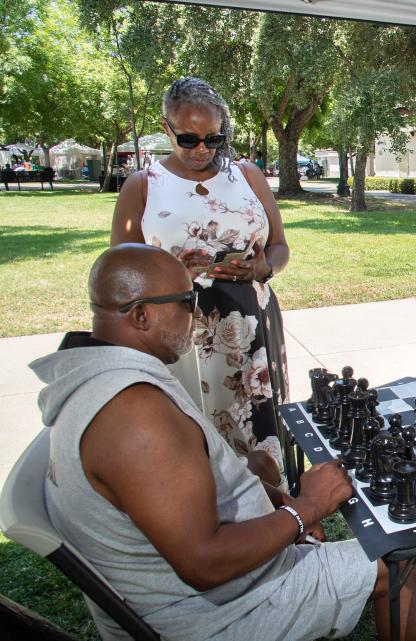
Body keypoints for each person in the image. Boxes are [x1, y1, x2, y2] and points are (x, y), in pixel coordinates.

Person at [35, 244, 416, 641]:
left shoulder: (99, 378)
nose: (195, 314)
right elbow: (204, 564)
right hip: (217, 613)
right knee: (398, 559)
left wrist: (282, 505)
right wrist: (308, 508)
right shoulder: (135, 418)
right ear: (141, 314)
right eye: (185, 300)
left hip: (197, 589)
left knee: (260, 464)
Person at [112, 77, 293, 488]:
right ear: (166, 126)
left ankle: (277, 511)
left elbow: (280, 247)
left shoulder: (247, 175)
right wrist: (172, 270)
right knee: (195, 437)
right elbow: (118, 274)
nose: (202, 150)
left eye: (214, 139)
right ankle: (214, 523)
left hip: (252, 327)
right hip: (182, 335)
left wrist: (262, 269)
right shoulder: (143, 186)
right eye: (189, 138)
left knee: (258, 429)